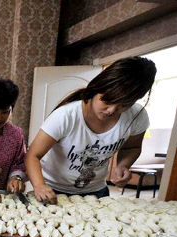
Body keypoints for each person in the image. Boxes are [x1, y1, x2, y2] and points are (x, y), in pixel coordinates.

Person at [26, 56, 157, 204]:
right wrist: (39, 185)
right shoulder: (66, 116)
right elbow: (33, 155)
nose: (111, 110)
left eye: (123, 105)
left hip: (96, 192)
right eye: (107, 101)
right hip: (53, 189)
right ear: (96, 88)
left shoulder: (136, 116)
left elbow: (132, 147)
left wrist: (123, 165)